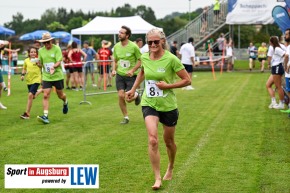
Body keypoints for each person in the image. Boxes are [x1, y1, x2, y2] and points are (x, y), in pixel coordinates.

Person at [126, 28, 191, 190]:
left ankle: (171, 166)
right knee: (153, 139)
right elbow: (142, 73)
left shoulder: (171, 59)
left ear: (162, 41)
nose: (153, 45)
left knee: (169, 142)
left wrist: (168, 86)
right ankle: (157, 178)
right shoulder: (145, 57)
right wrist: (133, 89)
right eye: (150, 42)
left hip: (168, 106)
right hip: (150, 103)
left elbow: (187, 80)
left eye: (156, 42)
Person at [112, 25, 142, 124]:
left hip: (131, 76)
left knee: (128, 99)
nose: (119, 34)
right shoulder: (116, 46)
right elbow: (115, 60)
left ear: (127, 35)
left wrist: (133, 70)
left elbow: (140, 60)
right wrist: (113, 70)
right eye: (119, 32)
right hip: (120, 75)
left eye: (121, 33)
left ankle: (137, 95)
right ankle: (126, 117)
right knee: (120, 95)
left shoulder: (134, 47)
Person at [36, 32, 68, 124]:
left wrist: (54, 66)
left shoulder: (56, 48)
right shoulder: (41, 51)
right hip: (47, 76)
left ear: (51, 41)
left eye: (48, 42)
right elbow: (41, 64)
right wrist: (38, 65)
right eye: (44, 43)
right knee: (46, 95)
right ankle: (45, 116)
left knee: (60, 95)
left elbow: (59, 61)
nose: (46, 44)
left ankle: (65, 102)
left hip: (57, 75)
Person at [20, 47, 42, 119]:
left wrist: (38, 64)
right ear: (29, 53)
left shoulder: (38, 60)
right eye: (32, 52)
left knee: (30, 95)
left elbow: (42, 67)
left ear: (36, 53)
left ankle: (27, 114)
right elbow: (24, 69)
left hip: (37, 79)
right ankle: (42, 89)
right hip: (29, 80)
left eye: (34, 52)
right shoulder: (26, 60)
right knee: (33, 96)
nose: (33, 53)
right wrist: (22, 75)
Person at [267, 36, 285, 110]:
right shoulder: (274, 48)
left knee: (278, 86)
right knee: (268, 85)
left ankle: (281, 103)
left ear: (271, 42)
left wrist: (283, 62)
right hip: (275, 67)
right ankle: (274, 102)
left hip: (278, 67)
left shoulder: (277, 48)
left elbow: (285, 55)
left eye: (269, 41)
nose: (269, 42)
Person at [281, 28, 290, 115]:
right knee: (288, 90)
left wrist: (286, 66)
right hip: (288, 73)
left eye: (286, 34)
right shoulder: (288, 46)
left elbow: (287, 57)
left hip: (289, 72)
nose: (285, 36)